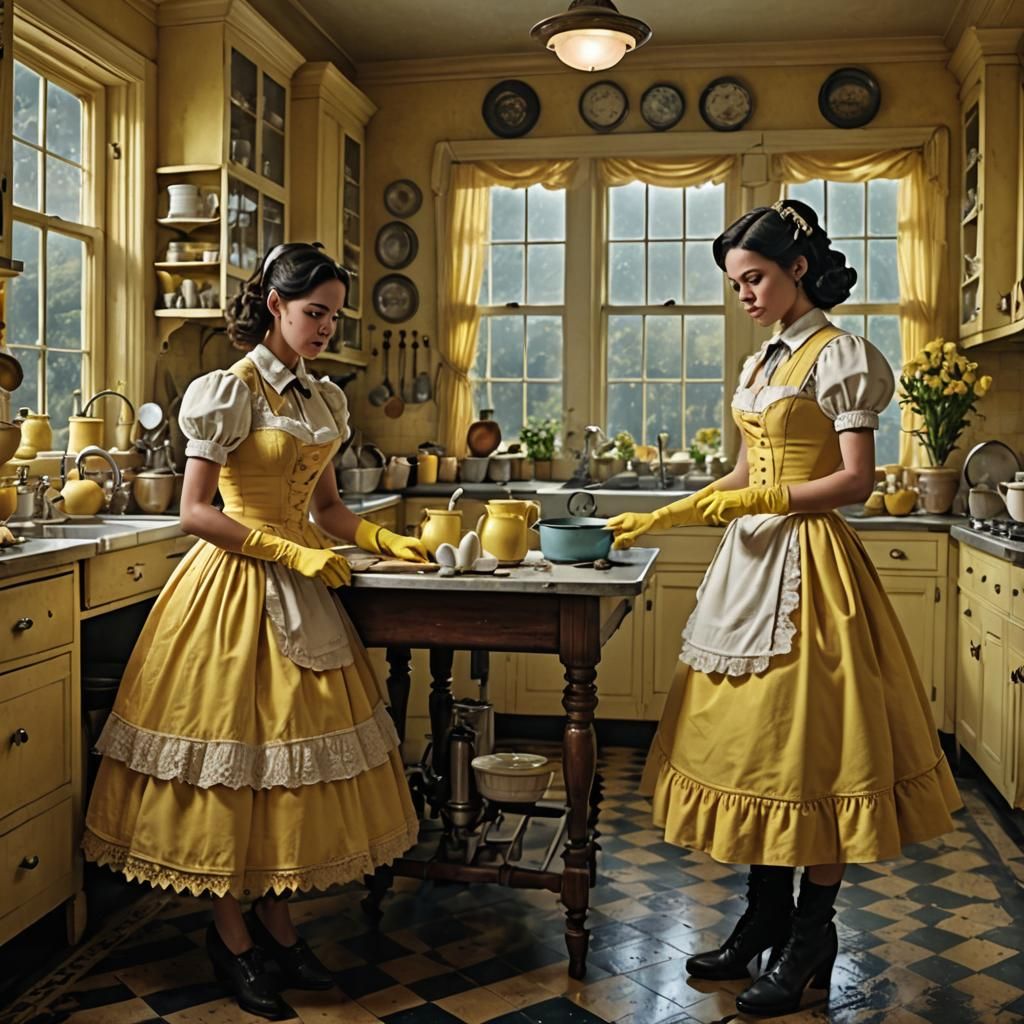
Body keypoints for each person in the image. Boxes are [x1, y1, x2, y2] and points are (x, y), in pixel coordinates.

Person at [608, 200, 961, 1019]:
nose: (745, 295)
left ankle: (810, 936)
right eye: (735, 284)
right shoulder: (763, 362)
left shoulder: (843, 357)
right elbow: (739, 476)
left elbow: (856, 480)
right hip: (748, 569)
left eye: (755, 278)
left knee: (817, 756)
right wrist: (669, 513)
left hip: (812, 571)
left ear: (797, 269)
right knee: (753, 753)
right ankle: (761, 916)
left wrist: (775, 495)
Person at [83, 243, 428, 1019]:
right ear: (275, 303)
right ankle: (232, 938)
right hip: (234, 586)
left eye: (335, 315)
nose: (326, 327)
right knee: (235, 766)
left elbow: (332, 510)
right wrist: (280, 547)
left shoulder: (321, 397)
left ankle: (277, 925)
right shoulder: (227, 391)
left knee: (288, 772)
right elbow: (196, 511)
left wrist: (380, 540)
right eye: (315, 313)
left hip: (303, 586)